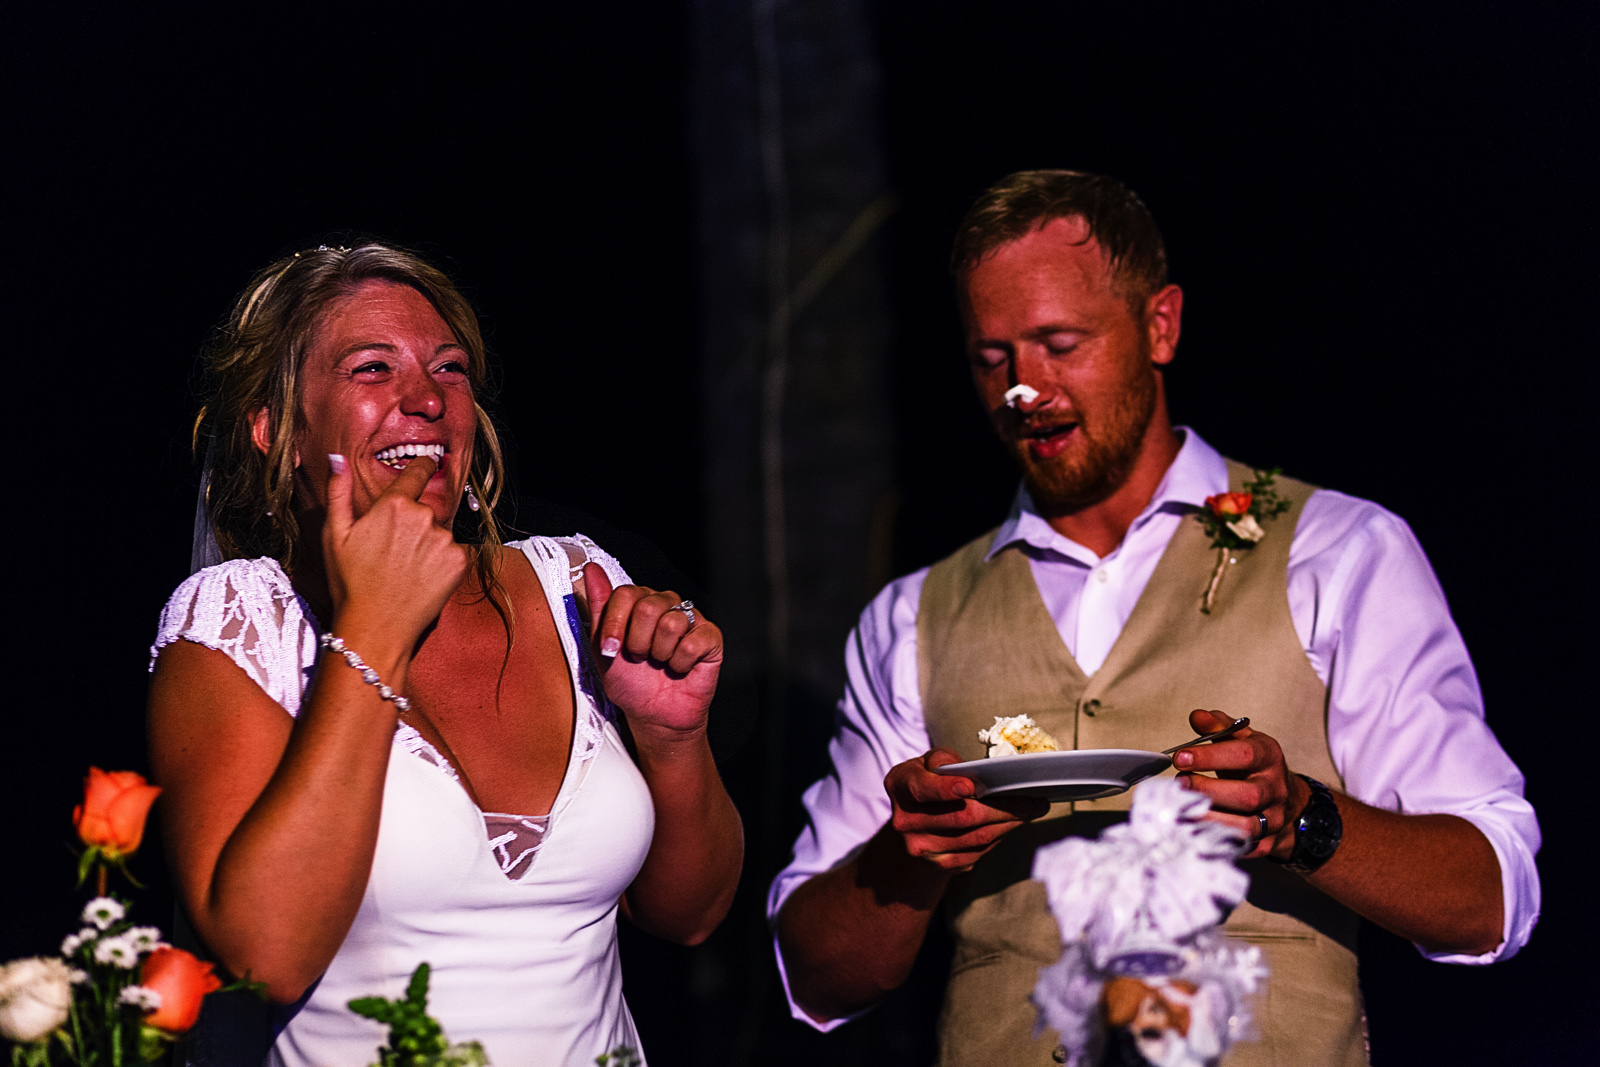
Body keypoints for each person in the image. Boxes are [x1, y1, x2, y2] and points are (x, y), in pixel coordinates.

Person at [767, 172, 1540, 1065]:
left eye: (1059, 343)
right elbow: (815, 974)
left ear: (1160, 325)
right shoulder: (911, 616)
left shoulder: (1341, 549)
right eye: (993, 357)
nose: (1025, 388)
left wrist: (1302, 819)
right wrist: (911, 855)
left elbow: (1491, 895)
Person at [147, 243, 742, 1067]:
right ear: (276, 430)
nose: (426, 398)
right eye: (370, 368)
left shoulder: (577, 584)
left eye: (450, 368)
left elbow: (693, 914)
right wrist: (375, 631)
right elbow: (264, 958)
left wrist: (674, 740)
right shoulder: (237, 621)